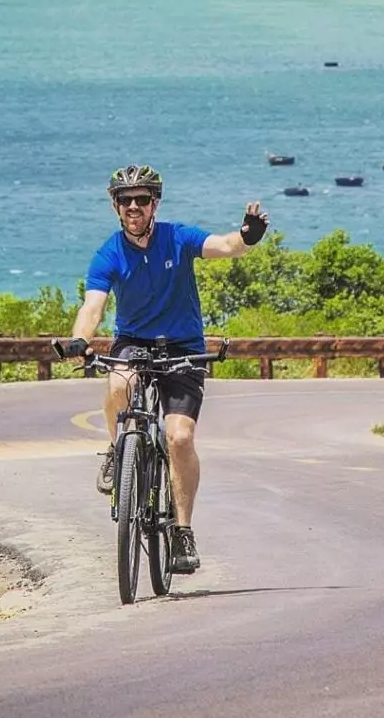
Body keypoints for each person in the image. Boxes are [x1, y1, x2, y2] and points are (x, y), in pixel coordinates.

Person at [62, 165, 269, 574]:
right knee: (119, 382)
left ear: (154, 203)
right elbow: (93, 307)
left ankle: (183, 531)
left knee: (178, 436)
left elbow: (225, 246)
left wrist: (247, 237)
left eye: (142, 199)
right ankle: (116, 449)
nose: (134, 207)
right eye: (126, 201)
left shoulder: (177, 237)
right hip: (133, 342)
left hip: (183, 346)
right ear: (115, 207)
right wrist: (81, 341)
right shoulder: (109, 253)